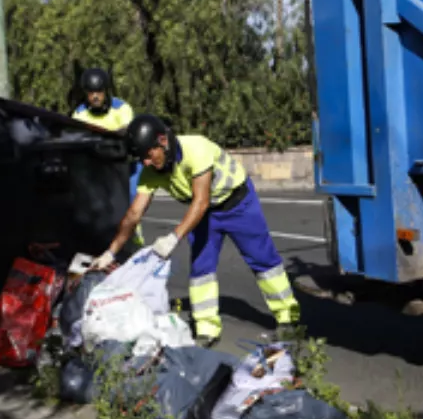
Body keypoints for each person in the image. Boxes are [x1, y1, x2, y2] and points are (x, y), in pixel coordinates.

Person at [90, 114, 301, 347]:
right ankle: (206, 328)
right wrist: (111, 252)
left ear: (162, 141)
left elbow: (201, 201)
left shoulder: (196, 149)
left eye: (148, 155)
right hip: (204, 214)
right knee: (201, 268)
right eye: (141, 158)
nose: (146, 163)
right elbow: (133, 215)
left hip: (237, 204)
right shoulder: (151, 172)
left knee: (264, 261)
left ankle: (288, 318)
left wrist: (174, 237)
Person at [72, 67, 143, 246]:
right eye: (91, 93)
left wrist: (103, 138)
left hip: (126, 164)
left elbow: (126, 132)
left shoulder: (122, 108)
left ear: (106, 91)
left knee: (132, 204)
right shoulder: (79, 113)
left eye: (99, 92)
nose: (95, 96)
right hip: (100, 166)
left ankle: (135, 240)